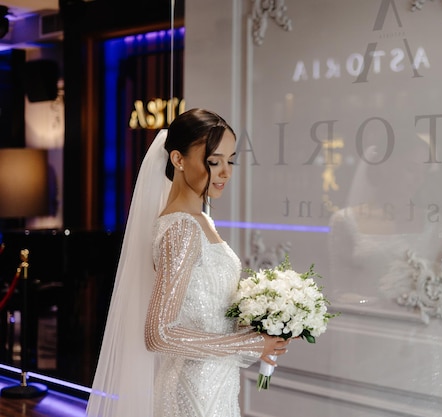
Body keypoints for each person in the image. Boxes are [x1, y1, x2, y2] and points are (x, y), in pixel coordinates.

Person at [86, 108, 290, 417]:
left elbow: (207, 310)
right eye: (213, 161)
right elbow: (159, 334)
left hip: (217, 384)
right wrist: (246, 345)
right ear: (178, 160)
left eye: (230, 160)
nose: (225, 172)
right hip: (192, 392)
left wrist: (260, 323)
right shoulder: (182, 228)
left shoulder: (201, 220)